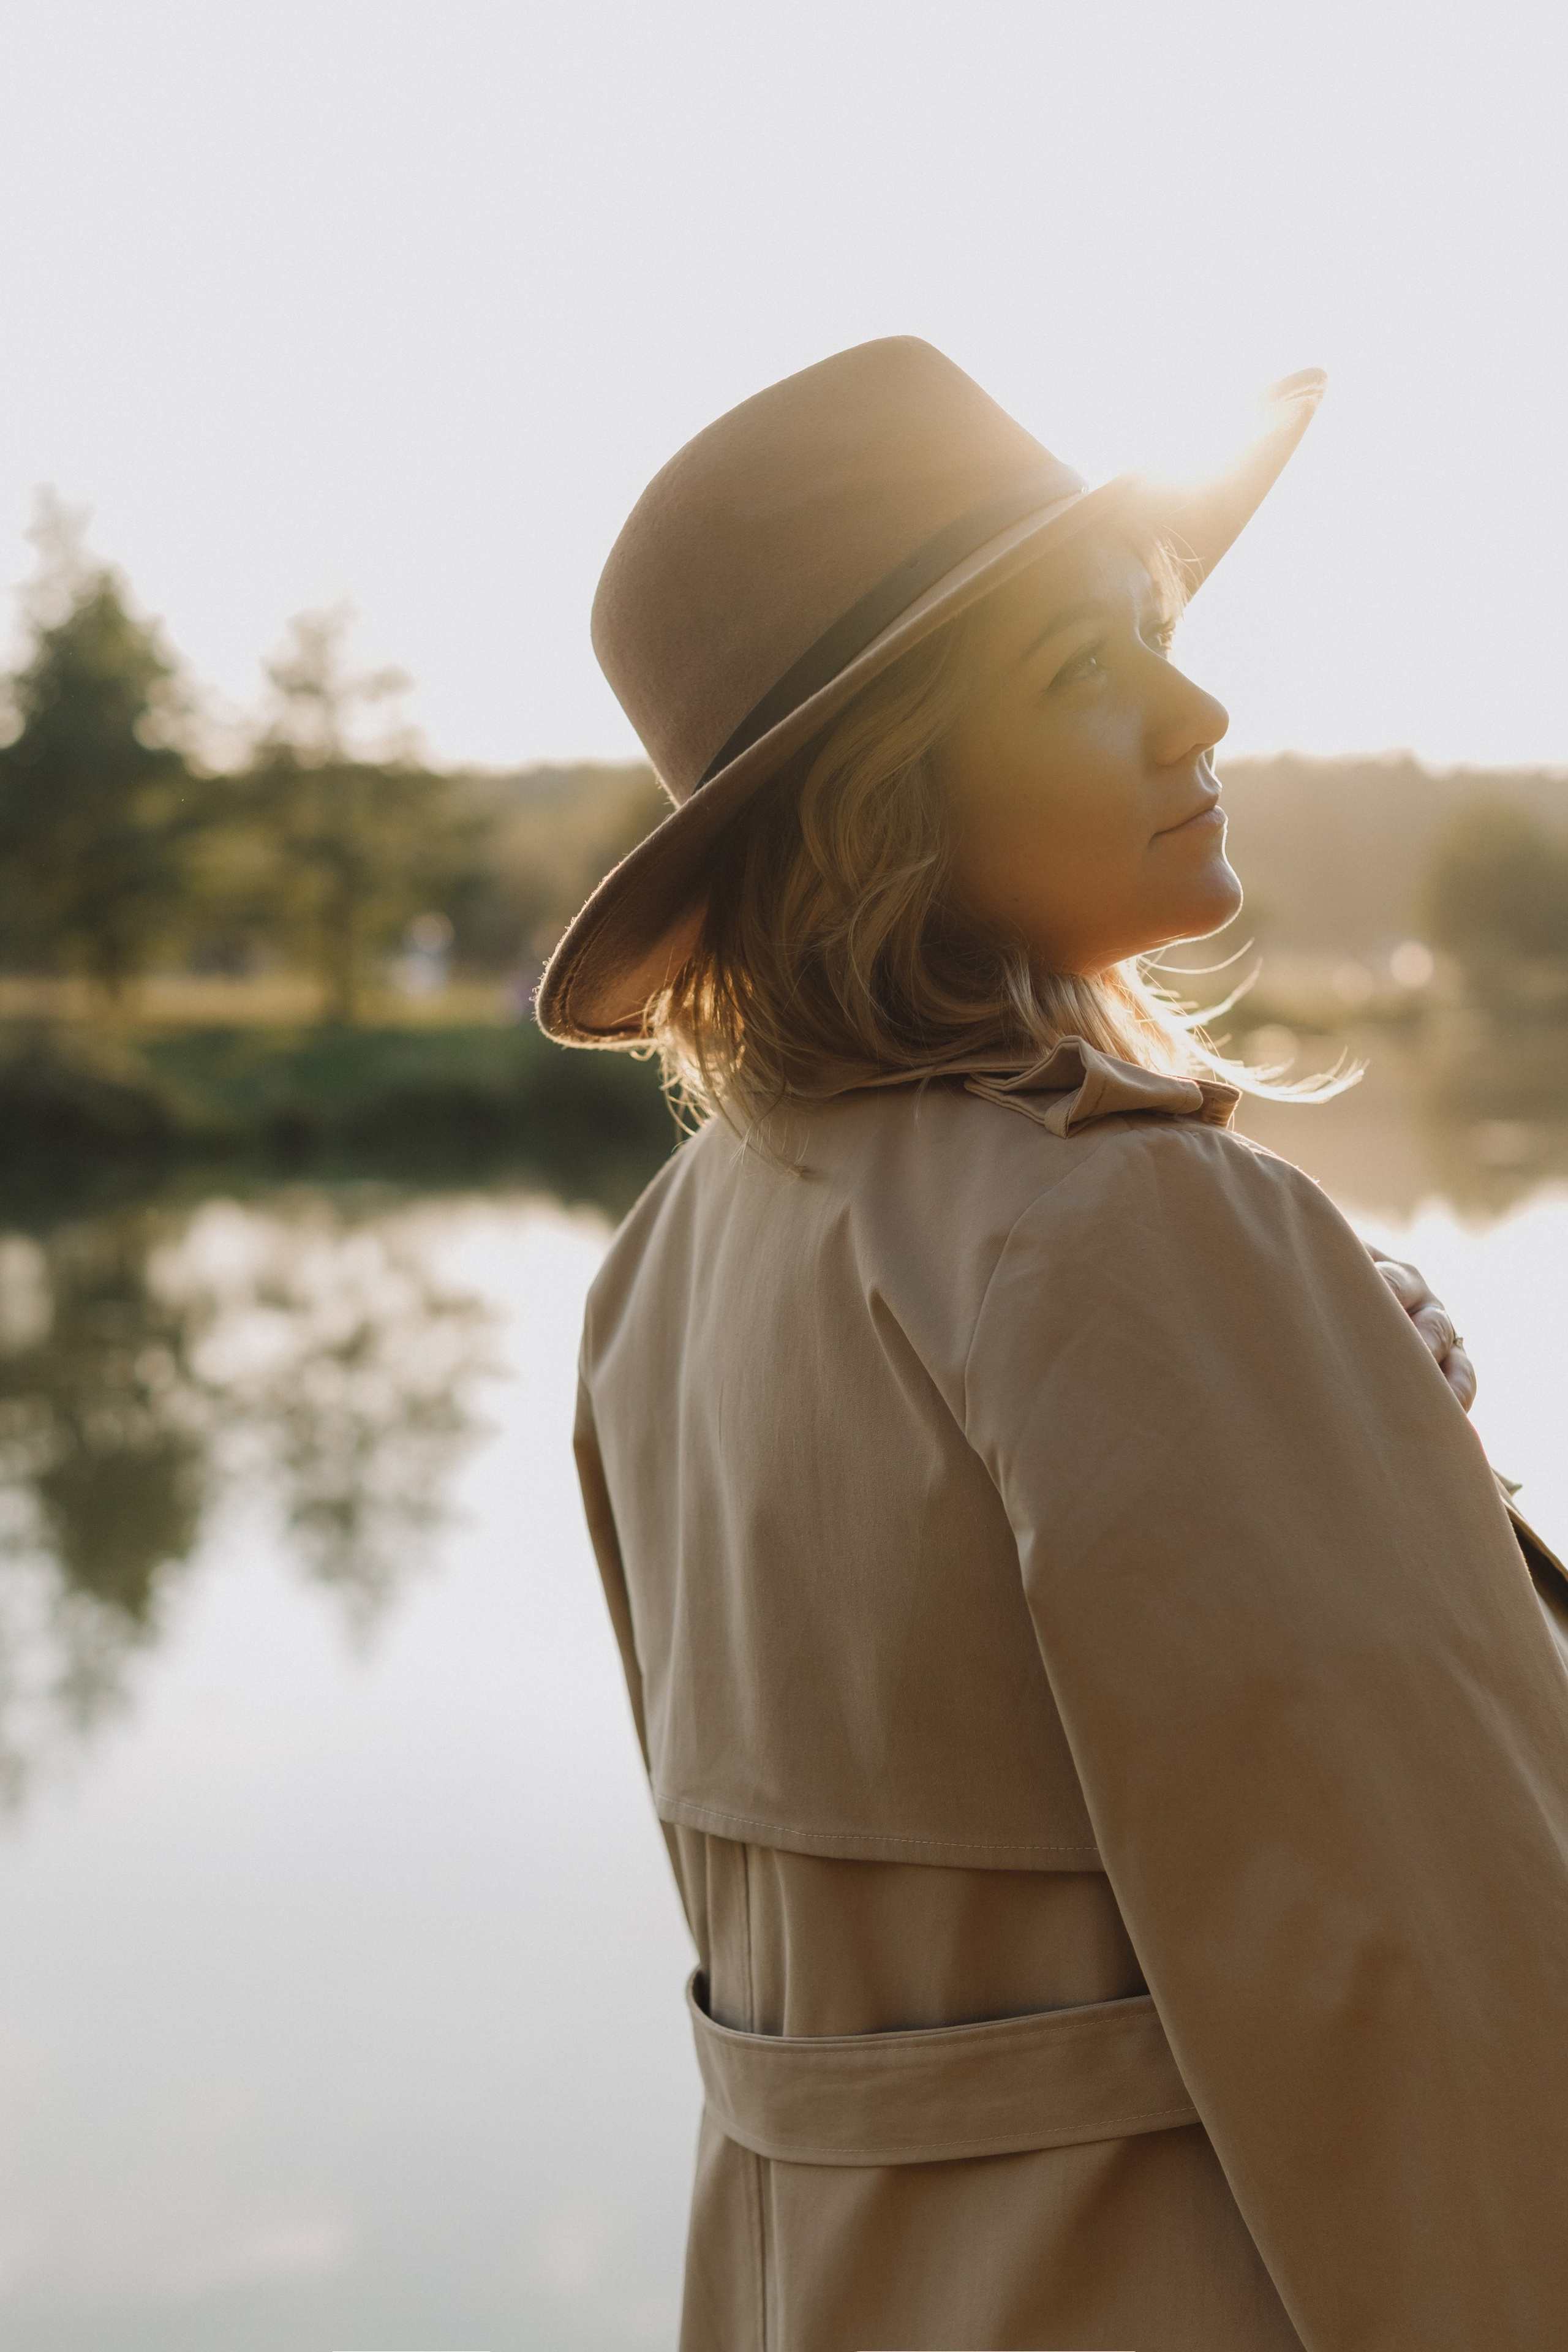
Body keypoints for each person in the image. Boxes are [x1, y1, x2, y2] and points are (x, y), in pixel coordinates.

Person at [537, 340, 1568, 2351]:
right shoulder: (1130, 1225)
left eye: (1161, 630)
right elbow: (1437, 1980)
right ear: (880, 798)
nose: (1201, 707)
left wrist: (1375, 1443)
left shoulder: (670, 1263)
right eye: (1082, 673)